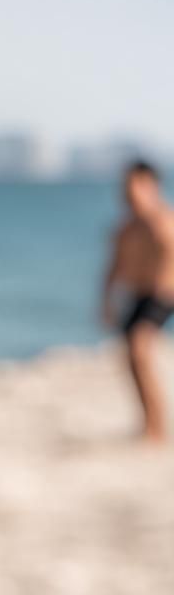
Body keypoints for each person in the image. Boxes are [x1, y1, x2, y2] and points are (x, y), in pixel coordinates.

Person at [101, 158, 174, 442]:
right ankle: (149, 424)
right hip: (139, 296)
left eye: (135, 186)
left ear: (150, 186)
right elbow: (113, 267)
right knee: (133, 359)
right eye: (125, 187)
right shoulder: (126, 229)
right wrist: (106, 301)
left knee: (139, 350)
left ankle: (156, 427)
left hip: (163, 295)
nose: (129, 193)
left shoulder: (165, 221)